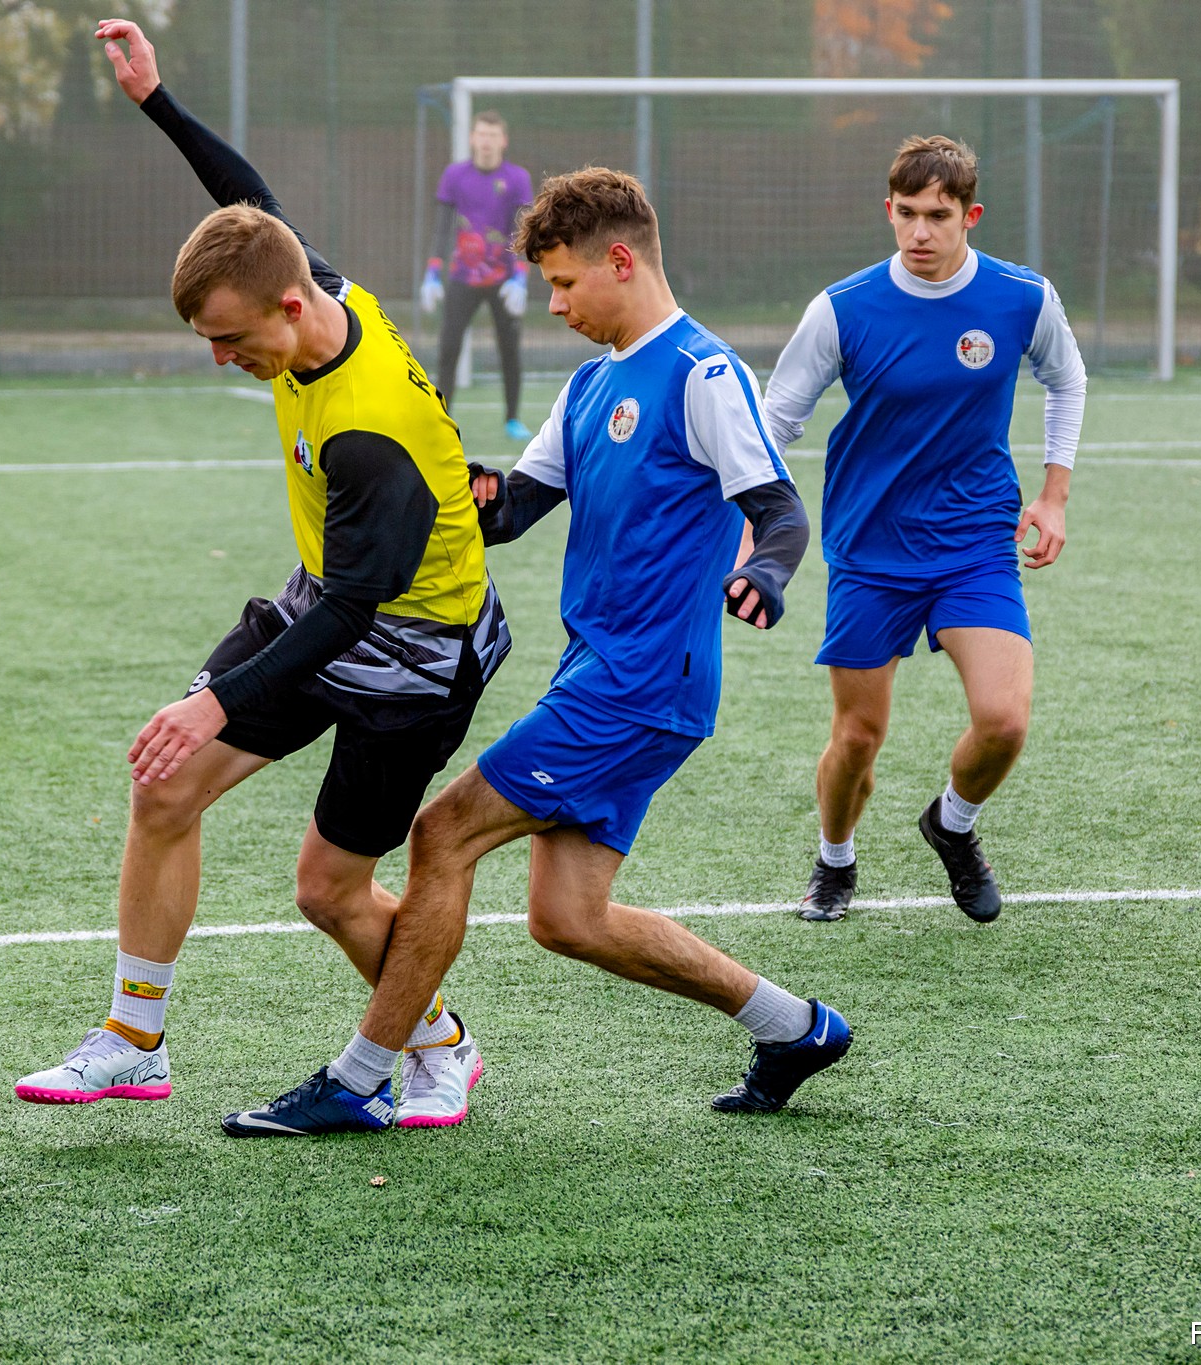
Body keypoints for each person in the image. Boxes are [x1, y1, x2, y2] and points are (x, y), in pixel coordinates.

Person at [221, 167, 852, 1139]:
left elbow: (777, 509)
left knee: (442, 834)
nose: (553, 305)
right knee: (569, 919)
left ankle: (361, 1077)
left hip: (641, 687)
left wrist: (763, 574)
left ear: (618, 260)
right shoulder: (591, 383)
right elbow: (513, 508)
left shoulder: (701, 373)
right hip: (596, 674)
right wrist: (452, 484)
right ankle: (795, 1028)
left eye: (561, 283)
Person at [12, 18, 504, 1129]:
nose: (222, 359)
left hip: (415, 654)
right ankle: (134, 1040)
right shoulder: (308, 287)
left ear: (289, 310)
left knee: (327, 890)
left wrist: (217, 699)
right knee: (163, 788)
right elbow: (248, 201)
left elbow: (357, 612)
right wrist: (158, 102)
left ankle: (440, 1044)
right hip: (326, 599)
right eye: (208, 341)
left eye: (231, 340)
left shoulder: (369, 432)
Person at [761, 135, 1087, 925]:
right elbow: (775, 421)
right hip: (869, 550)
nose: (919, 232)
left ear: (971, 215)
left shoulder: (1020, 297)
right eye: (906, 213)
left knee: (1004, 720)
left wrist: (1053, 496)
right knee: (857, 737)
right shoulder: (842, 309)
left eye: (938, 216)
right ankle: (835, 857)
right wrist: (753, 527)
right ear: (888, 210)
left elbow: (1066, 378)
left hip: (975, 543)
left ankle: (953, 823)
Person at [420, 111, 536, 438]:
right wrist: (432, 273)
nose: (486, 142)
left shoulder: (518, 178)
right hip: (462, 278)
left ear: (504, 141)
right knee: (448, 347)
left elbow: (523, 231)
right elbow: (442, 229)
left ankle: (512, 419)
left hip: (504, 281)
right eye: (481, 135)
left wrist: (520, 278)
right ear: (472, 138)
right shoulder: (454, 175)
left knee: (509, 349)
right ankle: (443, 417)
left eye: (493, 135)